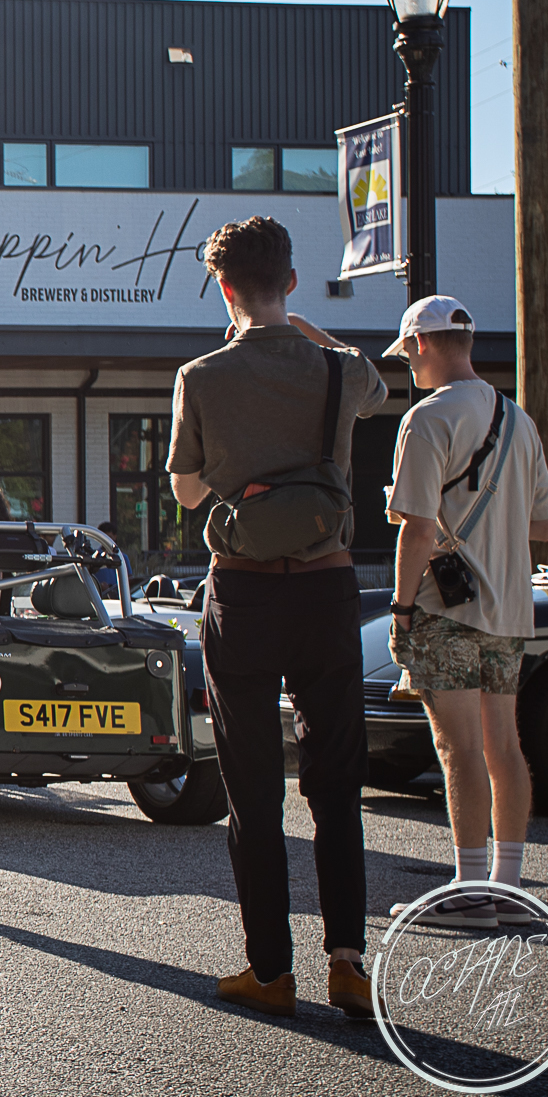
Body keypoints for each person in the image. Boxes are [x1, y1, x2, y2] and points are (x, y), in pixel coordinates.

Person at [167, 216, 388, 1021]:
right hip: (327, 588)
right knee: (336, 780)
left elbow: (187, 491)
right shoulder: (337, 369)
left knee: (254, 787)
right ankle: (348, 961)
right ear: (291, 281)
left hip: (245, 593)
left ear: (224, 288)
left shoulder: (201, 375)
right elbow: (377, 388)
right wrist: (309, 332)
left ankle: (270, 970)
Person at [381, 297, 548, 928]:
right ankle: (507, 887)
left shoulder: (427, 419)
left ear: (422, 344)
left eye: (407, 353)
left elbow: (417, 528)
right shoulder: (519, 420)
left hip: (447, 611)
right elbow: (544, 526)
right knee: (503, 746)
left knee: (457, 750)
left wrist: (402, 609)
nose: (408, 365)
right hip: (510, 609)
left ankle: (471, 889)